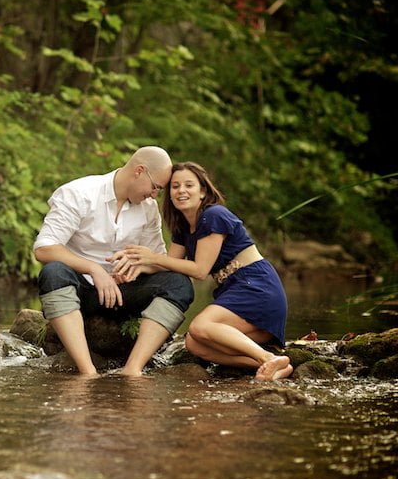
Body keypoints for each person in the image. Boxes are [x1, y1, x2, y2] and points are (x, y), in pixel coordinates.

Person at [110, 161, 291, 381]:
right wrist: (137, 266)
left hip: (256, 287)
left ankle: (266, 357)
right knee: (194, 344)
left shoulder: (214, 215)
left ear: (203, 191)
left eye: (189, 185)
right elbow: (169, 264)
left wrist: (153, 257)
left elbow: (199, 270)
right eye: (175, 186)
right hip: (235, 289)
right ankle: (272, 364)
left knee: (200, 326)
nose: (181, 191)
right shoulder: (183, 226)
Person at [33, 146, 194, 377]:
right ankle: (87, 371)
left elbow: (160, 261)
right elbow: (44, 248)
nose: (154, 195)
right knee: (53, 272)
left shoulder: (148, 209)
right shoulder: (78, 193)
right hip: (82, 292)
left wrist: (140, 266)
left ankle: (133, 368)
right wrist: (94, 269)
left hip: (124, 293)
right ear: (139, 171)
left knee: (179, 283)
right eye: (155, 187)